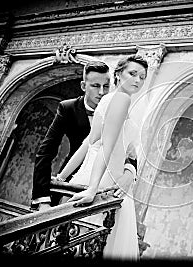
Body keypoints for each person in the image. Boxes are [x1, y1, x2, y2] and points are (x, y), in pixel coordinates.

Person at [57, 55, 148, 260]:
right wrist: (92, 188)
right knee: (97, 243)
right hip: (106, 181)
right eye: (132, 74)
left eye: (142, 77)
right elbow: (104, 147)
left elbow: (89, 144)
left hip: (101, 176)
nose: (138, 80)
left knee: (81, 243)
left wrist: (62, 176)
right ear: (118, 74)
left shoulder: (109, 100)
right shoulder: (121, 99)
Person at [31, 60, 137, 211]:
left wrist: (129, 173)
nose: (101, 92)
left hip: (109, 184)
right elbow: (45, 152)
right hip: (73, 179)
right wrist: (43, 200)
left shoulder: (120, 107)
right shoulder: (67, 108)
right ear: (83, 86)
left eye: (106, 86)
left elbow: (130, 148)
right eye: (95, 86)